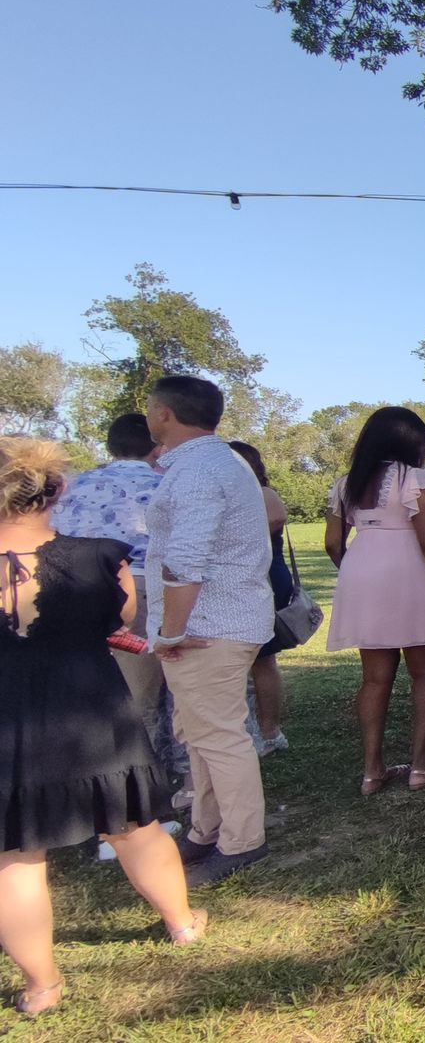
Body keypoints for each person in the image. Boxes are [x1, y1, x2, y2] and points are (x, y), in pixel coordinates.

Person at [0, 438, 208, 1018]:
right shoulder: (100, 557)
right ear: (58, 490)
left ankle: (42, 985)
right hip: (90, 707)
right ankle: (183, 922)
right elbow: (120, 620)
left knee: (14, 858)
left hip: (8, 718)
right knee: (135, 826)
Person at [143, 375, 275, 888]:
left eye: (150, 408)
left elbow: (185, 561)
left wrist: (171, 631)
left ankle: (242, 840)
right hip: (217, 620)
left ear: (164, 414)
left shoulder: (199, 469)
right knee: (198, 733)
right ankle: (206, 828)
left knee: (218, 736)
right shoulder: (221, 461)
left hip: (206, 626)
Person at [324, 407, 425, 796]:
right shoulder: (415, 478)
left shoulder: (347, 483)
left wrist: (356, 571)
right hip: (406, 573)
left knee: (374, 678)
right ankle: (420, 766)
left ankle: (372, 771)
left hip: (361, 571)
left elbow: (333, 543)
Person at [49, 413, 186, 783]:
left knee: (85, 687)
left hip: (73, 590)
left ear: (111, 446)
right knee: (142, 695)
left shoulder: (74, 487)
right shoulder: (168, 485)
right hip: (141, 586)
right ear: (157, 446)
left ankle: (86, 768)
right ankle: (141, 777)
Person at [228, 441, 292, 755]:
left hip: (264, 578)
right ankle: (250, 726)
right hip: (240, 581)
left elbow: (276, 519)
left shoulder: (263, 493)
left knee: (263, 657)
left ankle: (270, 730)